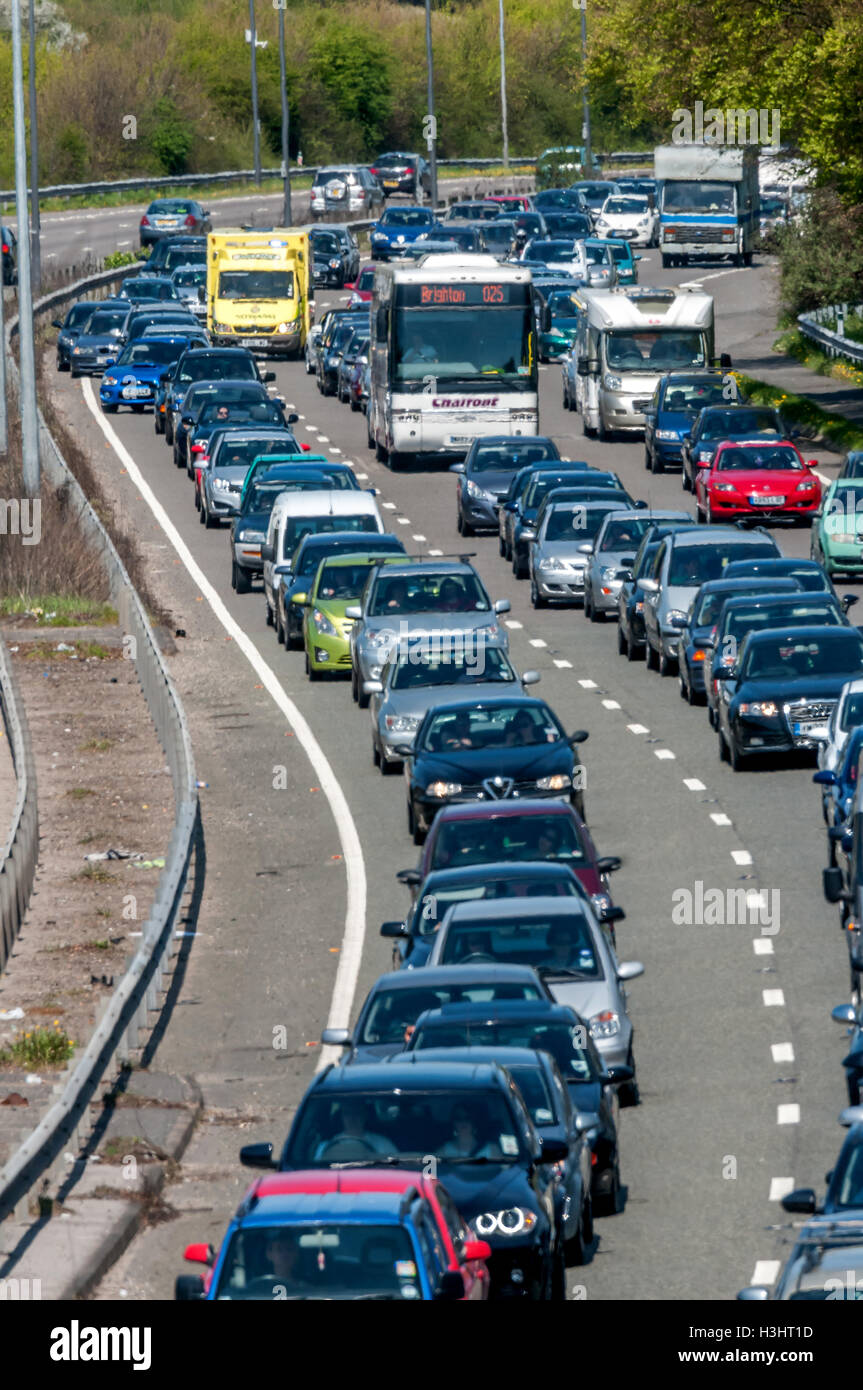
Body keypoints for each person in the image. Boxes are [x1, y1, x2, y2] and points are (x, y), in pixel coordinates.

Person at [313, 1100, 392, 1160]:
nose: (352, 1118)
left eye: (357, 1113)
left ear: (364, 1116)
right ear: (341, 1117)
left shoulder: (383, 1144)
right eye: (347, 1113)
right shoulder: (325, 1146)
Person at [438, 1104, 503, 1159]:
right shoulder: (443, 1152)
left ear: (474, 1122)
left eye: (467, 1118)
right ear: (453, 1122)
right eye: (458, 1118)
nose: (463, 1122)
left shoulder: (492, 1150)